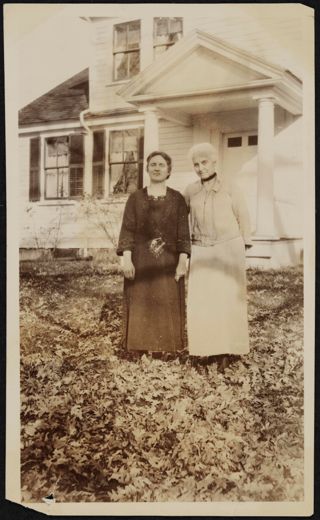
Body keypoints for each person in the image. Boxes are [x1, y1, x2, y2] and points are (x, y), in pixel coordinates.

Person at [185, 143, 252, 372]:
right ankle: (203, 352)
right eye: (196, 164)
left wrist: (244, 246)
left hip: (228, 248)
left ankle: (225, 353)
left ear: (214, 162)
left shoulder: (231, 187)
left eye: (204, 162)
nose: (200, 168)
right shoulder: (190, 191)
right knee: (202, 303)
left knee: (226, 302)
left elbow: (243, 216)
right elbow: (178, 219)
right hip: (201, 249)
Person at [117, 151, 191, 354]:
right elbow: (127, 230)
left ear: (169, 171)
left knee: (166, 300)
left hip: (168, 261)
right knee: (141, 300)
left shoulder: (177, 199)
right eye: (153, 164)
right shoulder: (135, 198)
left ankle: (167, 348)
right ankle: (138, 346)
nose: (157, 168)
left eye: (162, 165)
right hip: (140, 260)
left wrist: (183, 260)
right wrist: (127, 259)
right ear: (147, 168)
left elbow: (183, 233)